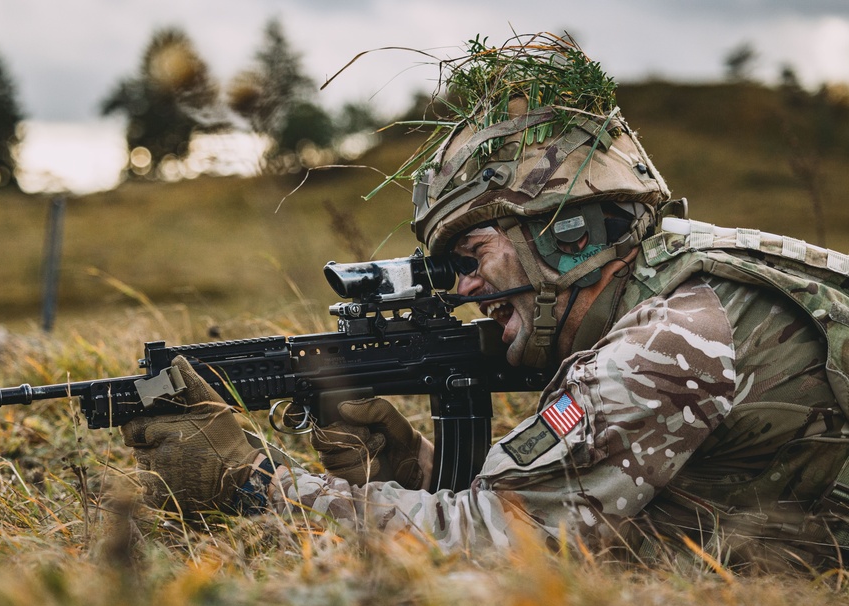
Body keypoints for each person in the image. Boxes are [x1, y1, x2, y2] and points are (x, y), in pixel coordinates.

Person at [121, 34, 849, 572]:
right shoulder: (681, 269)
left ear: (562, 234)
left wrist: (255, 486)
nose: (463, 290)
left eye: (471, 260)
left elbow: (507, 546)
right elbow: (579, 492)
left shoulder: (665, 345)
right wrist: (416, 466)